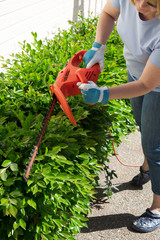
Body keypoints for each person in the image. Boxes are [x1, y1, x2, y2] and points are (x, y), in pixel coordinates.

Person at [77, 0, 160, 233]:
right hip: (135, 75)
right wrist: (98, 45)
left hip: (156, 86)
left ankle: (157, 208)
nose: (141, 5)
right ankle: (147, 168)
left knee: (155, 147)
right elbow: (108, 13)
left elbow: (147, 84)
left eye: (152, 3)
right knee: (143, 127)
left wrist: (103, 94)